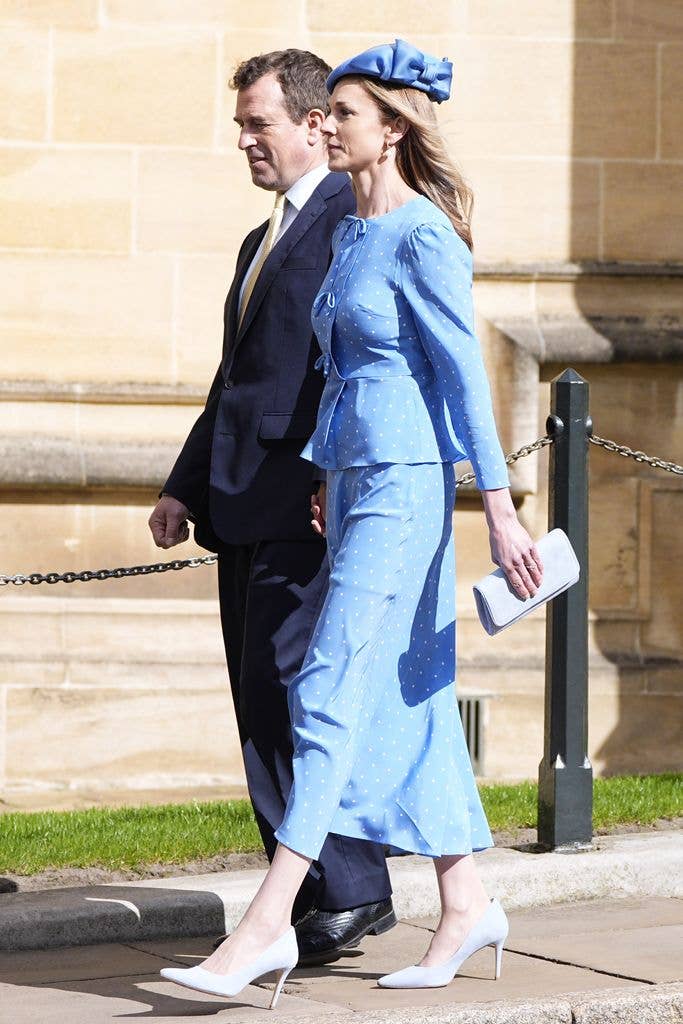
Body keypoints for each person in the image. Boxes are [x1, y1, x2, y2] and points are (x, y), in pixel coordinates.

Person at [160, 38, 543, 1008]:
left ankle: (264, 924)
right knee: (406, 701)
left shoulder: (420, 238)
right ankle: (465, 903)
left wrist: (497, 510)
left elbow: (461, 380)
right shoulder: (352, 238)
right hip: (356, 482)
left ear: (392, 128)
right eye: (321, 114)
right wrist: (327, 467)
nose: (327, 127)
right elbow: (333, 374)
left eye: (344, 114)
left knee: (327, 682)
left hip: (411, 483)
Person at [148, 49, 396, 965]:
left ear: (311, 124)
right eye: (241, 126)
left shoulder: (348, 219)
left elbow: (354, 364)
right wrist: (184, 483)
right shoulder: (261, 241)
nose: (245, 141)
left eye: (259, 124)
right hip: (240, 506)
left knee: (296, 693)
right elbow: (235, 382)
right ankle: (308, 896)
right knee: (261, 698)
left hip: (309, 506)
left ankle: (351, 889)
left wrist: (341, 470)